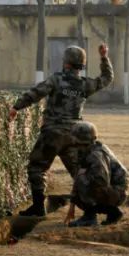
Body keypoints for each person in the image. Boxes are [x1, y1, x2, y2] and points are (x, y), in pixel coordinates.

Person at [9, 42, 113, 217]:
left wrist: (16, 107)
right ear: (82, 64)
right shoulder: (85, 85)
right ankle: (91, 212)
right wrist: (104, 57)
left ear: (66, 63)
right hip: (74, 135)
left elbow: (36, 93)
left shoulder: (56, 79)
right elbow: (106, 78)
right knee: (80, 174)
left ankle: (38, 207)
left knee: (37, 167)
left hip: (52, 133)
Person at [66, 121, 129, 227]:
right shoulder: (88, 150)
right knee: (81, 179)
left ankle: (90, 217)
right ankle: (112, 212)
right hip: (114, 190)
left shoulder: (96, 155)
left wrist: (82, 177)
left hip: (118, 192)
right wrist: (73, 203)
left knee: (83, 181)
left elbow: (100, 182)